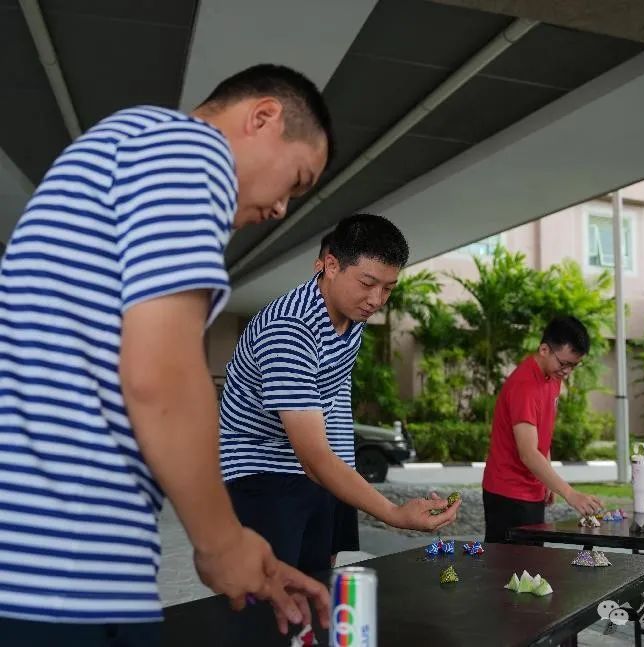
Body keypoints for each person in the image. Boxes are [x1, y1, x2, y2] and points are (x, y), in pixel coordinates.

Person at [0, 64, 335, 645]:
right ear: (263, 117)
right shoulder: (186, 148)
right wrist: (221, 541)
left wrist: (228, 543)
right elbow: (161, 374)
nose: (282, 208)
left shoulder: (127, 148)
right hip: (63, 576)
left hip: (45, 566)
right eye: (296, 181)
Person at [219, 214, 459, 575]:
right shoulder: (290, 329)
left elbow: (335, 403)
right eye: (367, 283)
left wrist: (339, 507)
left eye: (388, 288)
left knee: (318, 587)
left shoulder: (350, 317)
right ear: (331, 265)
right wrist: (393, 513)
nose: (376, 300)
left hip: (314, 467)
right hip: (260, 469)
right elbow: (314, 457)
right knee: (268, 597)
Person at [482, 316, 603, 544]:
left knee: (532, 562)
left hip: (530, 490)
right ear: (544, 349)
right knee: (508, 565)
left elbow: (541, 437)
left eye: (573, 365)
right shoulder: (524, 386)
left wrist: (547, 480)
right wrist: (570, 494)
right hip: (508, 493)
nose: (567, 371)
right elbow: (528, 453)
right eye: (564, 363)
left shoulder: (553, 376)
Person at [314, 232, 360, 567]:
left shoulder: (350, 327)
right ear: (325, 267)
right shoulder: (296, 328)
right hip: (308, 471)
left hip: (343, 468)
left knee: (332, 559)